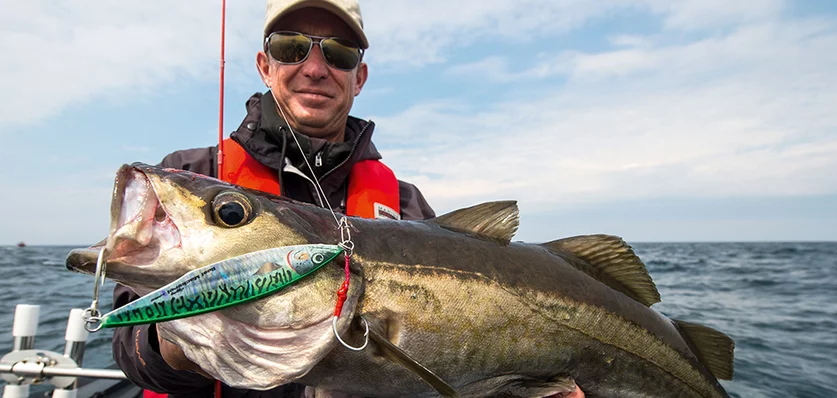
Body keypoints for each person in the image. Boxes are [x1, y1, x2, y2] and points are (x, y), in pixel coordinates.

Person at [111, 1, 584, 397]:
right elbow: (132, 353)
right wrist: (173, 341)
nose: (315, 68)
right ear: (265, 65)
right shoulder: (193, 175)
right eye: (291, 47)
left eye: (338, 53)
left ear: (359, 77)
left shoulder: (404, 204)